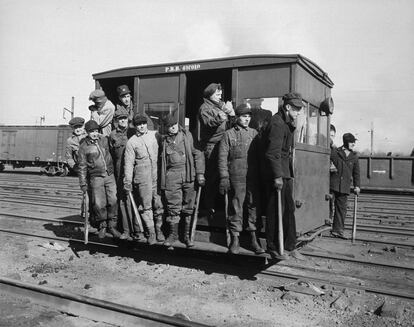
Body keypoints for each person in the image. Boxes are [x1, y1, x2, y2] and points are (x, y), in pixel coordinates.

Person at [218, 104, 265, 255]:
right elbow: (222, 158)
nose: (247, 119)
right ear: (237, 117)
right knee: (236, 207)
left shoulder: (255, 134)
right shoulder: (228, 135)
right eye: (244, 116)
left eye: (249, 116)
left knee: (253, 206)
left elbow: (260, 157)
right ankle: (235, 239)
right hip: (236, 177)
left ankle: (253, 239)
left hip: (252, 177)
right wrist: (224, 177)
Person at [264, 92, 303, 258]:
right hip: (277, 174)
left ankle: (289, 245)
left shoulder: (286, 122)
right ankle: (272, 246)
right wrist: (277, 176)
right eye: (296, 109)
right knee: (275, 210)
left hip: (284, 173)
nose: (298, 112)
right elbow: (272, 153)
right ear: (287, 107)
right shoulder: (277, 123)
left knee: (289, 209)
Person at [160, 114, 205, 247]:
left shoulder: (187, 136)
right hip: (172, 176)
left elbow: (198, 154)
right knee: (173, 206)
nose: (171, 128)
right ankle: (173, 235)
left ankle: (186, 236)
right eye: (168, 126)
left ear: (177, 125)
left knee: (188, 206)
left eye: (173, 125)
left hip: (188, 174)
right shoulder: (163, 140)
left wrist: (200, 173)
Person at [123, 114, 164, 244]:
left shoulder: (155, 135)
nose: (141, 126)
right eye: (139, 124)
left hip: (155, 174)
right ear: (135, 126)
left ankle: (159, 230)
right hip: (142, 176)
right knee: (146, 206)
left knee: (158, 204)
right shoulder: (132, 142)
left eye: (143, 123)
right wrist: (128, 181)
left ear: (147, 124)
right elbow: (128, 164)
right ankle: (151, 232)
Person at [78, 120, 121, 239]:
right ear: (87, 133)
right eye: (92, 131)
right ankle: (102, 225)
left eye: (96, 131)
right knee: (99, 203)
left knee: (113, 200)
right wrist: (82, 183)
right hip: (95, 177)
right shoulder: (83, 147)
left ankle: (112, 225)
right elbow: (82, 167)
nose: (95, 133)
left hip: (109, 175)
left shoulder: (104, 140)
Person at [198, 83, 235, 216]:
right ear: (210, 95)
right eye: (217, 94)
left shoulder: (220, 106)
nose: (220, 96)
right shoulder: (204, 108)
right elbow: (209, 123)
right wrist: (225, 112)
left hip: (224, 144)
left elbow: (230, 124)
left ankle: (222, 206)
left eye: (220, 93)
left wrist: (232, 113)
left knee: (224, 175)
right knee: (212, 176)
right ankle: (209, 206)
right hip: (212, 146)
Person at [109, 108, 139, 241]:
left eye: (125, 119)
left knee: (135, 201)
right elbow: (110, 156)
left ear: (128, 119)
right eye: (120, 119)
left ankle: (137, 231)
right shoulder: (112, 135)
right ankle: (126, 231)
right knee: (123, 202)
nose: (123, 121)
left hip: (134, 171)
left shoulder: (134, 132)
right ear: (116, 121)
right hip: (119, 173)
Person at [330, 133, 361, 239]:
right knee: (328, 206)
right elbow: (327, 163)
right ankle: (323, 226)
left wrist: (357, 186)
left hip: (344, 186)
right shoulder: (335, 152)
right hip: (332, 184)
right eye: (352, 142)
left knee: (341, 209)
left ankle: (337, 231)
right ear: (346, 142)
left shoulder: (354, 157)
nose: (354, 144)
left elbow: (356, 173)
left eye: (354, 142)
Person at [326, 124, 338, 225]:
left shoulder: (334, 149)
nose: (331, 138)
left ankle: (329, 219)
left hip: (330, 179)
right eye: (329, 135)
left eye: (333, 136)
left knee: (330, 200)